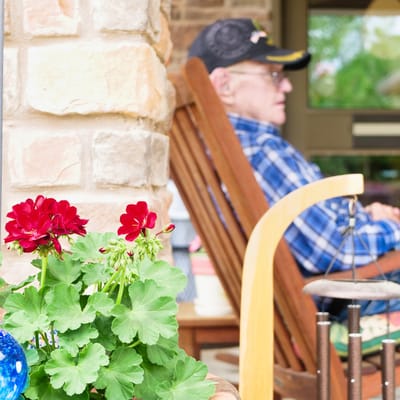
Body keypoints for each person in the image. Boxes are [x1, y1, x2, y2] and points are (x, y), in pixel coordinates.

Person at [188, 18, 400, 319]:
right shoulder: (260, 153)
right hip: (348, 305)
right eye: (273, 75)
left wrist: (368, 218)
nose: (286, 85)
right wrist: (393, 229)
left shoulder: (231, 151)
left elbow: (321, 229)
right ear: (224, 85)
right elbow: (337, 251)